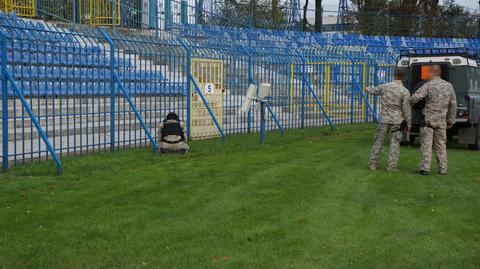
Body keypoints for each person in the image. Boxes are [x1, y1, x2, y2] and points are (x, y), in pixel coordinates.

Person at [410, 65, 456, 176]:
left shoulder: (428, 85)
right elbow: (453, 105)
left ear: (431, 73)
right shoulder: (449, 86)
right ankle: (443, 169)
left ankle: (425, 169)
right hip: (441, 121)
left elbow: (415, 97)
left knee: (426, 145)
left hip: (428, 121)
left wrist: (411, 104)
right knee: (441, 145)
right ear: (439, 73)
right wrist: (450, 120)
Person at [367, 68, 411, 171]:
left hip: (384, 120)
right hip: (397, 121)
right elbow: (406, 109)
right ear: (403, 77)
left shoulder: (385, 87)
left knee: (378, 142)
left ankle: (373, 164)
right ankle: (391, 166)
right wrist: (409, 123)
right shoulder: (404, 91)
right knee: (395, 143)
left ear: (394, 75)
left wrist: (367, 88)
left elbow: (373, 90)